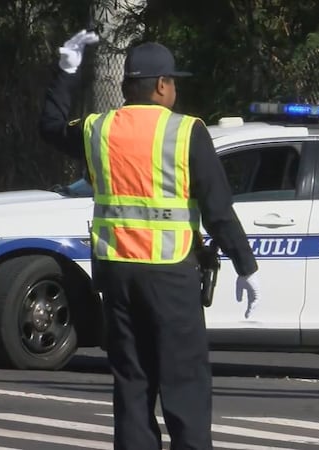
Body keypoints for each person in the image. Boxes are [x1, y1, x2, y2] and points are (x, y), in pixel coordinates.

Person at [39, 30, 261, 450]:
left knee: (133, 380)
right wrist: (246, 266)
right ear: (161, 85)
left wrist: (66, 71)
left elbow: (49, 126)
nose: (174, 87)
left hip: (117, 275)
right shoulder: (186, 131)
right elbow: (217, 209)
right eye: (173, 80)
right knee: (184, 382)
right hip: (171, 275)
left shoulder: (97, 129)